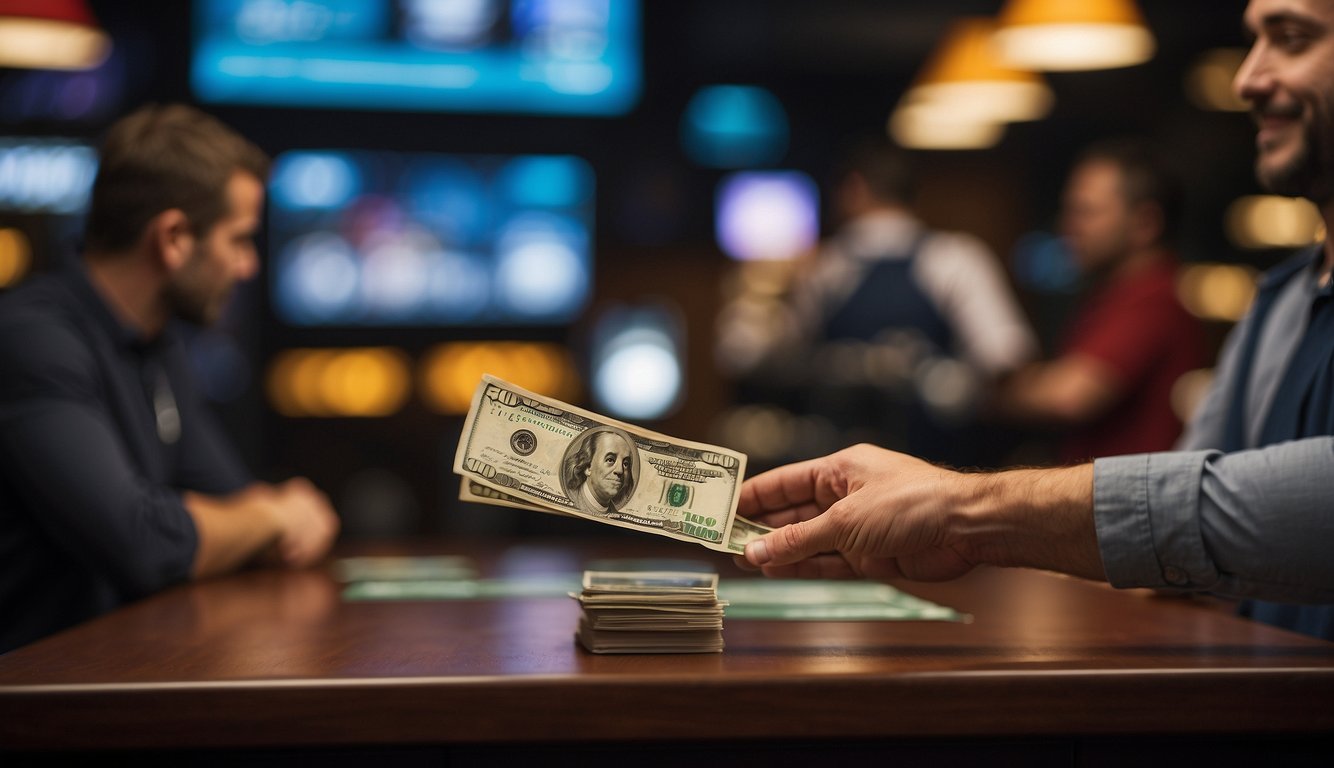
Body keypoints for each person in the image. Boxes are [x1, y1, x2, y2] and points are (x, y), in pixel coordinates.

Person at [736, 0, 1334, 639]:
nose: (1247, 79)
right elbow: (1184, 545)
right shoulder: (1279, 301)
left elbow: (1075, 395)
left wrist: (960, 496)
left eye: (1293, 38)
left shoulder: (1151, 295)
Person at [0, 104, 340, 654]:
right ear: (174, 237)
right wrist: (273, 515)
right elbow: (144, 544)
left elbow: (231, 500)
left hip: (117, 676)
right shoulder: (31, 340)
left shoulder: (157, 343)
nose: (248, 265)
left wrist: (270, 518)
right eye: (238, 239)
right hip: (32, 708)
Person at [715, 139, 1038, 466]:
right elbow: (1005, 354)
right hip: (934, 474)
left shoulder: (824, 268)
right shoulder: (956, 259)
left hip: (838, 475)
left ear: (853, 189)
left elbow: (752, 355)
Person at [992, 139, 1207, 462]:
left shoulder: (1153, 299)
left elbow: (1071, 396)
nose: (1068, 226)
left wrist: (981, 391)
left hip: (1132, 507)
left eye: (1085, 212)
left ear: (1145, 223)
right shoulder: (1114, 295)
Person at [561, 427, 637, 516]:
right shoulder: (570, 503)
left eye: (625, 463)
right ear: (588, 467)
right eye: (610, 460)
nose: (620, 470)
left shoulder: (616, 515)